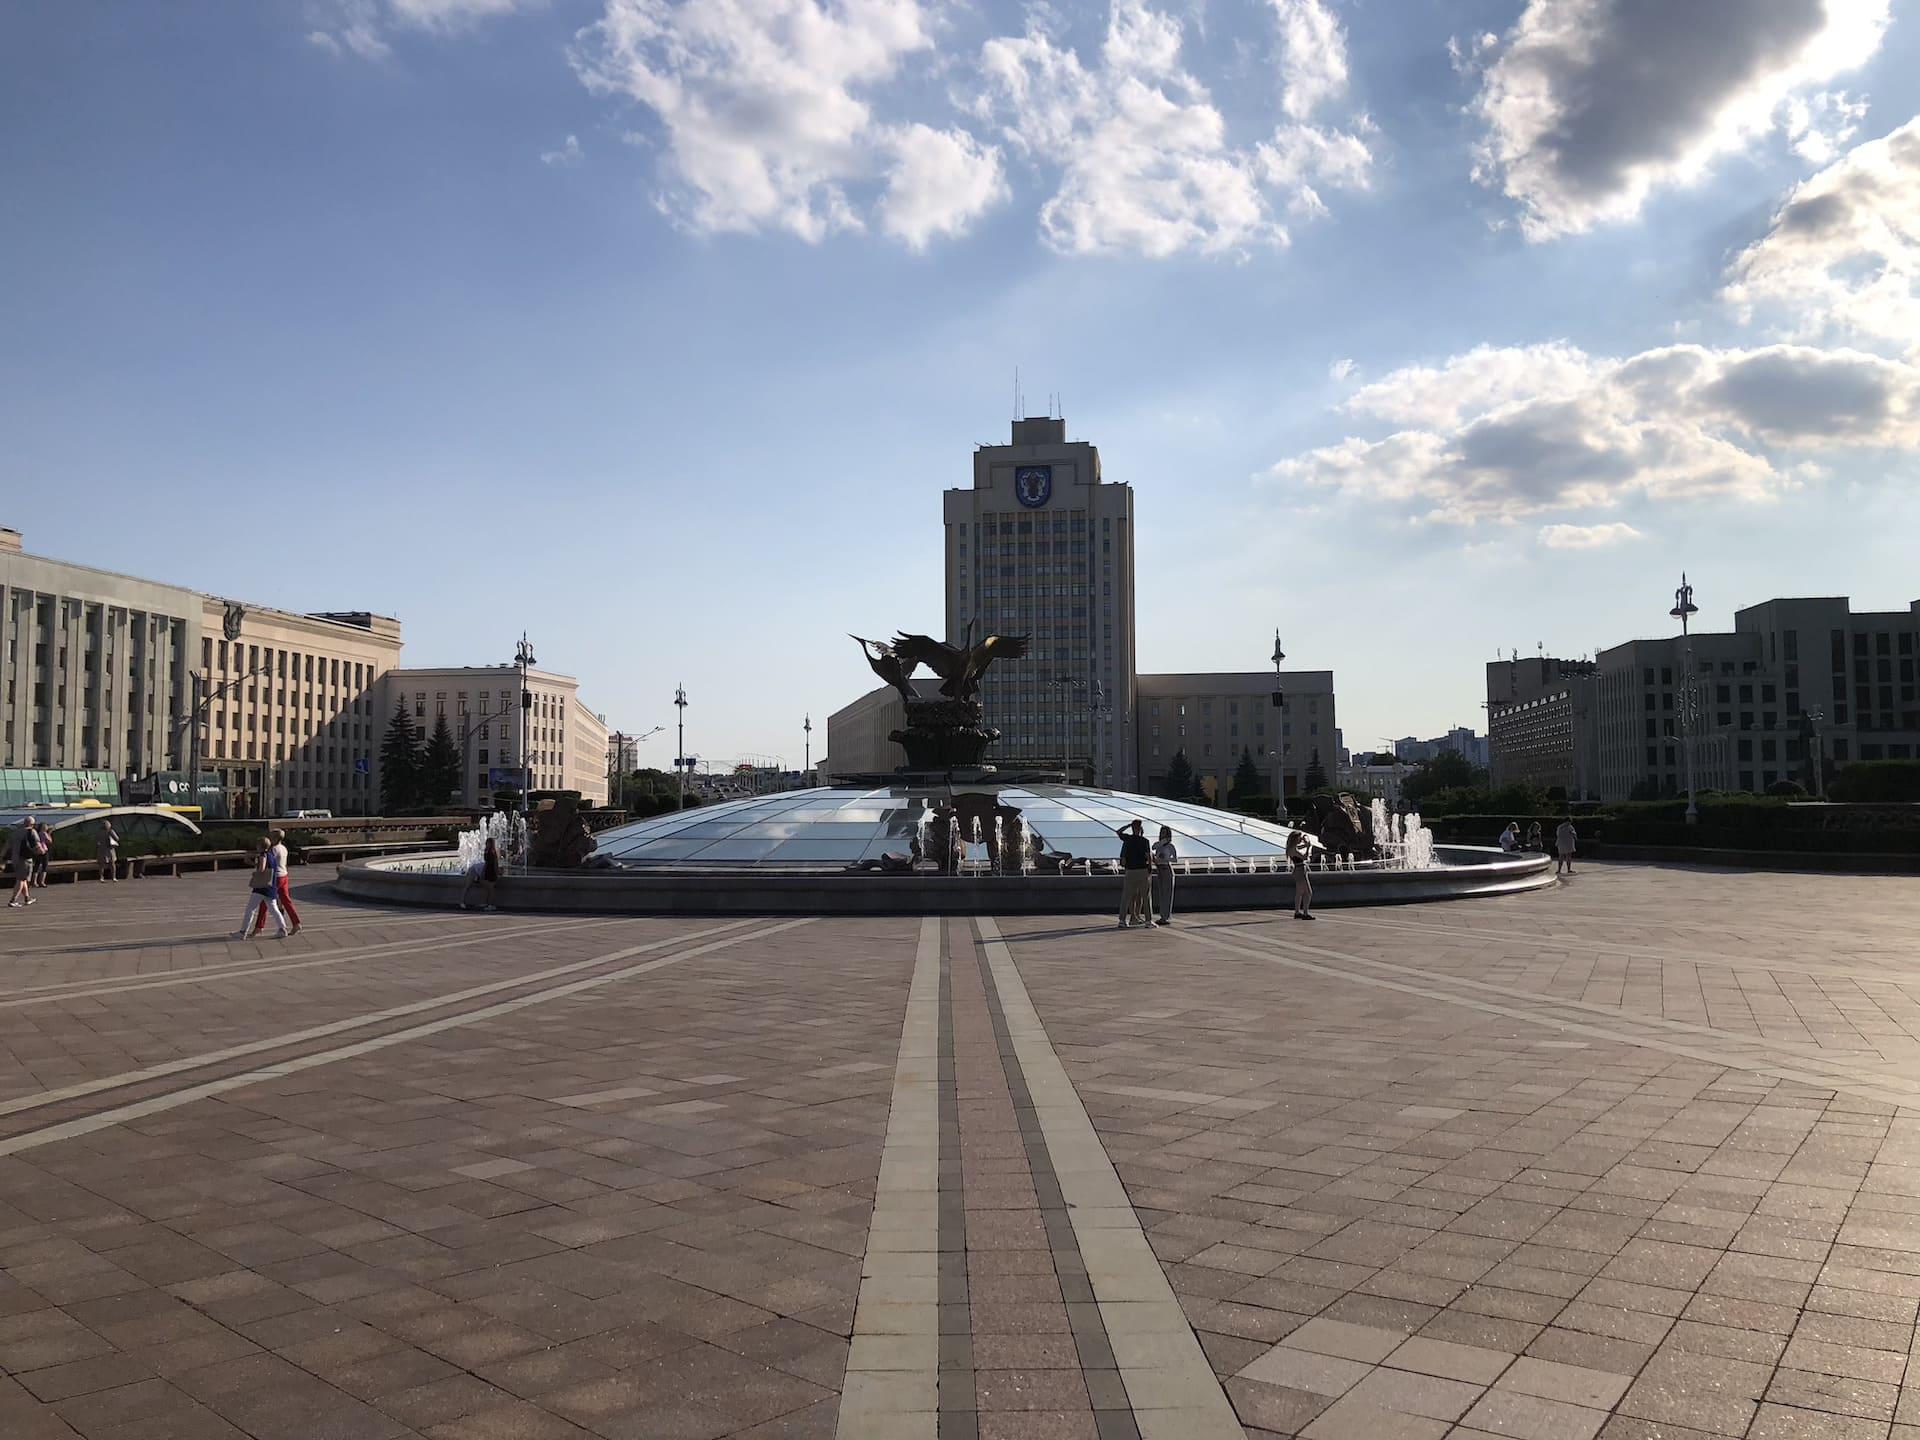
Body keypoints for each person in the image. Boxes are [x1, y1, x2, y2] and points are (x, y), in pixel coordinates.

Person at [237, 838, 290, 939]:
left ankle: (243, 932)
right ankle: (282, 929)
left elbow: (261, 868)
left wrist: (252, 864)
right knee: (274, 909)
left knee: (250, 909)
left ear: (260, 846)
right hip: (271, 886)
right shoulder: (271, 855)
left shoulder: (263, 855)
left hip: (261, 887)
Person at [250, 829, 300, 936]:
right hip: (284, 876)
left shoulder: (272, 850)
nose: (269, 838)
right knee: (286, 901)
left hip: (275, 878)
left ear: (276, 838)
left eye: (271, 837)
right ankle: (296, 923)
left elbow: (265, 865)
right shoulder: (284, 848)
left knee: (264, 902)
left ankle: (259, 927)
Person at [1116, 820, 1152, 929]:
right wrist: (1150, 867)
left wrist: (1128, 825)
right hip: (1142, 870)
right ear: (1141, 829)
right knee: (1146, 896)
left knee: (1126, 896)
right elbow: (1148, 856)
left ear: (1132, 828)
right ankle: (1148, 921)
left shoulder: (1127, 839)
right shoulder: (1145, 841)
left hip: (1130, 871)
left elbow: (1118, 832)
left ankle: (1122, 920)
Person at [461, 836, 501, 911]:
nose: (486, 844)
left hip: (489, 872)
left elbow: (491, 864)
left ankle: (488, 903)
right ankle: (489, 904)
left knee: (489, 889)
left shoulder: (490, 852)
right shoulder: (491, 852)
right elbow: (489, 864)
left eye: (487, 843)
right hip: (488, 872)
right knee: (490, 889)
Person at [1150, 826, 1178, 927]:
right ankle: (1162, 916)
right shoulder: (1159, 845)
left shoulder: (1170, 846)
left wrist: (1164, 860)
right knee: (1161, 893)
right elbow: (1153, 847)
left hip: (1166, 869)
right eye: (1161, 833)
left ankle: (1166, 916)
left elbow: (1175, 859)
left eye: (1165, 833)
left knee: (1167, 893)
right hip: (1159, 869)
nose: (1163, 835)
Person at [6, 819, 36, 909]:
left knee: (23, 879)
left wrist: (2, 856)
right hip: (25, 859)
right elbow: (37, 844)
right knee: (21, 879)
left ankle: (27, 898)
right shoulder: (31, 832)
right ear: (31, 824)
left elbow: (8, 844)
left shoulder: (16, 832)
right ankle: (13, 900)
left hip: (15, 859)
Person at [1286, 825, 1314, 919]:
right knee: (1308, 892)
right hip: (1300, 870)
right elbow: (1304, 857)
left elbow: (1299, 847)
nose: (1300, 839)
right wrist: (1308, 848)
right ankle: (1305, 913)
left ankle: (1297, 912)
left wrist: (1305, 844)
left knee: (1299, 893)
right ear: (1295, 839)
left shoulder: (1291, 848)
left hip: (1298, 870)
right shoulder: (1293, 849)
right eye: (1299, 838)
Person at [30, 821, 52, 889]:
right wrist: (49, 833)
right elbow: (49, 841)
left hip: (37, 851)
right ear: (43, 827)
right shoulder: (44, 833)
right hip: (44, 850)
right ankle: (42, 882)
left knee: (36, 865)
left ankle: (34, 882)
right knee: (44, 866)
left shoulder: (37, 833)